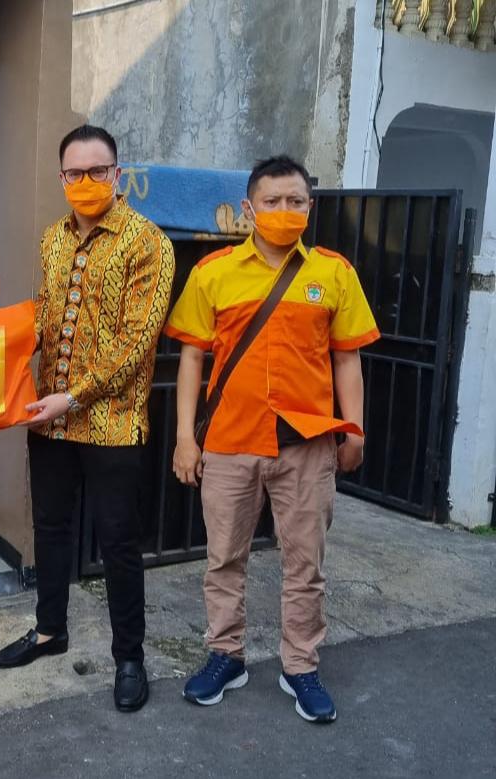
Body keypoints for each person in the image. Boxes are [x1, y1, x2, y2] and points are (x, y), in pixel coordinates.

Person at [166, 155, 379, 723]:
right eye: (272, 201)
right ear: (249, 208)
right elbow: (191, 358)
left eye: (295, 201)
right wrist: (185, 438)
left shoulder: (333, 272)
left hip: (308, 447)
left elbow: (347, 359)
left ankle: (300, 665)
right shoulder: (213, 272)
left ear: (310, 206)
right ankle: (225, 655)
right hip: (230, 442)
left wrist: (355, 430)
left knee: (305, 564)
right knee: (223, 559)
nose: (285, 210)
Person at [0, 125, 175, 713]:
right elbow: (44, 319)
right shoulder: (53, 238)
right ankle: (51, 630)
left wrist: (73, 397)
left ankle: (130, 656)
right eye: (76, 173)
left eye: (99, 171)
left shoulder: (148, 242)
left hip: (113, 423)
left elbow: (137, 343)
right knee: (50, 528)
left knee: (118, 540)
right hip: (48, 419)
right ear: (62, 178)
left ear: (117, 175)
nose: (87, 181)